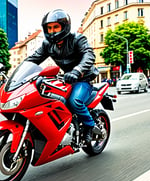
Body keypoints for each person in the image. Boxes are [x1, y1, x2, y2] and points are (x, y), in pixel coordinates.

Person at [25, 9, 99, 144]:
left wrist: (77, 71)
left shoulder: (77, 38)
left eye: (55, 27)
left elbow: (89, 54)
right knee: (48, 99)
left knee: (74, 101)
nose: (52, 31)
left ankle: (90, 126)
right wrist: (17, 75)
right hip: (66, 79)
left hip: (83, 78)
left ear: (64, 27)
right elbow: (33, 59)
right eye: (49, 28)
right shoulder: (47, 44)